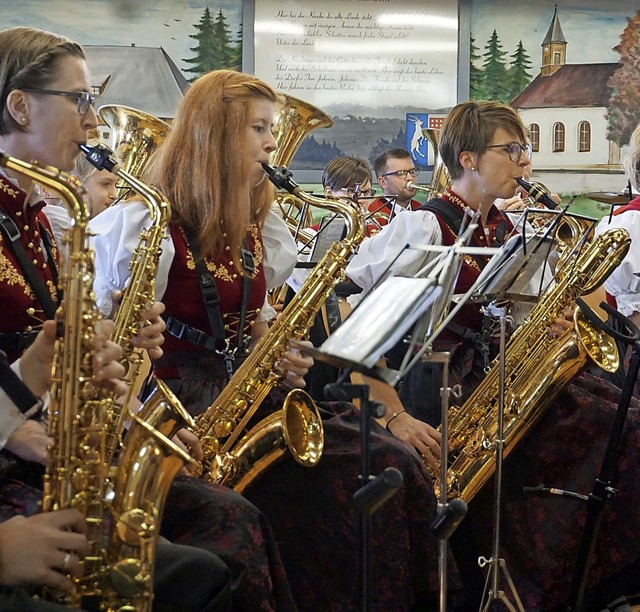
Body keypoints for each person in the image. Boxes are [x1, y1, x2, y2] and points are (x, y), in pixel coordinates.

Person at [91, 69, 442, 611]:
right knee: (338, 494)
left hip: (246, 399)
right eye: (259, 129)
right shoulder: (144, 224)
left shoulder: (257, 222)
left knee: (388, 463)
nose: (274, 143)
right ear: (214, 136)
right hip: (173, 413)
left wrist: (275, 349)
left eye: (271, 128)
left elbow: (256, 322)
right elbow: (118, 355)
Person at [0, 26, 290, 612]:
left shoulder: (41, 218)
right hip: (20, 463)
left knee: (231, 528)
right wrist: (18, 408)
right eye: (80, 100)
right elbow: (27, 373)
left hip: (49, 447)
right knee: (200, 567)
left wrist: (113, 352)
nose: (93, 122)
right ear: (20, 105)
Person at [346, 99, 640, 609]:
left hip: (495, 385)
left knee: (624, 422)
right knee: (615, 432)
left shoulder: (504, 231)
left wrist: (550, 323)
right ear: (468, 159)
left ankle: (576, 586)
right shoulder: (425, 230)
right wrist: (391, 417)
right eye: (513, 149)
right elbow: (358, 340)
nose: (525, 160)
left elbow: (511, 319)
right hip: (435, 393)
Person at [43, 138, 119, 247]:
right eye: (106, 184)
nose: (115, 195)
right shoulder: (59, 226)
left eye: (115, 185)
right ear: (75, 185)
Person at [367, 148, 423, 228]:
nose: (410, 178)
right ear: (383, 182)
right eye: (400, 173)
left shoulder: (422, 210)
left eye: (412, 171)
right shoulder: (372, 214)